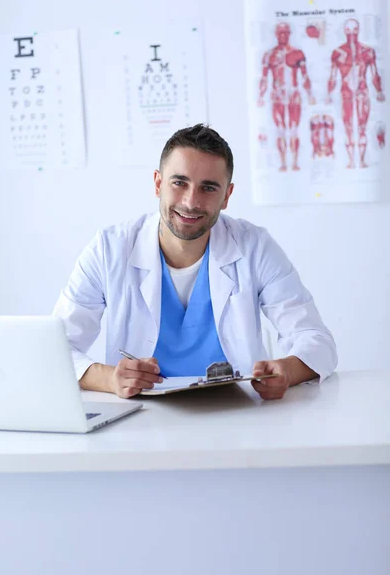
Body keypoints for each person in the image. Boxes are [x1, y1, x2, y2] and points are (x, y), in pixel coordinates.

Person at [53, 124, 337, 400]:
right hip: (141, 418)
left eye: (209, 188)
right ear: (157, 183)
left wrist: (287, 370)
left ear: (227, 196)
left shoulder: (255, 247)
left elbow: (315, 339)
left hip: (237, 415)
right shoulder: (108, 250)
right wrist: (110, 378)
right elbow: (55, 347)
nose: (191, 202)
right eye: (179, 183)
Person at [327, 18, 385, 169]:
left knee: (361, 127)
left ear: (358, 31)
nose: (351, 33)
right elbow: (333, 76)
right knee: (348, 127)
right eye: (348, 30)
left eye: (354, 30)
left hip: (362, 92)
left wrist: (379, 91)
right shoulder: (337, 53)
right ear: (344, 31)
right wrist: (328, 94)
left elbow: (374, 74)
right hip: (346, 93)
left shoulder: (368, 52)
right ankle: (351, 161)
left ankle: (361, 160)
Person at [257, 22, 316, 172]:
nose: (283, 35)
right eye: (280, 33)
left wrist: (310, 95)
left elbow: (305, 75)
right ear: (276, 34)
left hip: (294, 95)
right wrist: (260, 96)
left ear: (289, 34)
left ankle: (295, 162)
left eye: (285, 33)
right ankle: (283, 163)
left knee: (294, 130)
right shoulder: (269, 55)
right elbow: (264, 78)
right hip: (277, 96)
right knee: (281, 130)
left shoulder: (298, 53)